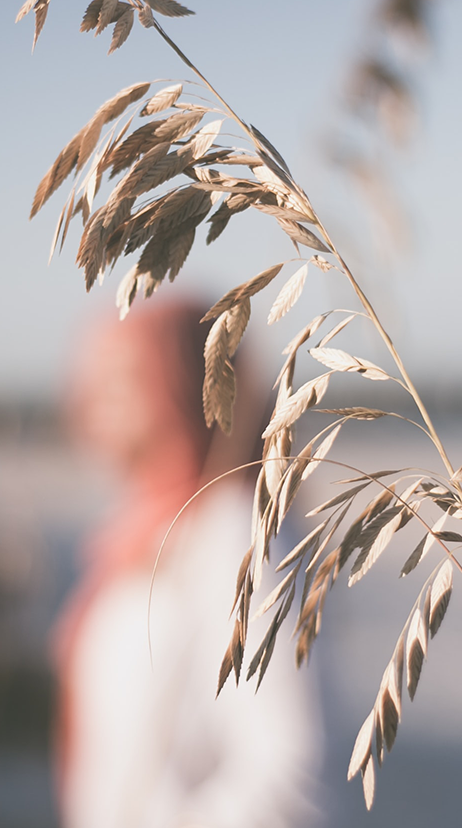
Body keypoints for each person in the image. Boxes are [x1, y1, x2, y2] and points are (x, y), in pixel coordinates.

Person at [53, 299, 324, 828]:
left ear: (185, 384)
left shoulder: (231, 535)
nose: (92, 399)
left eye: (124, 377)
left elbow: (290, 776)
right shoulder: (139, 533)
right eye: (94, 376)